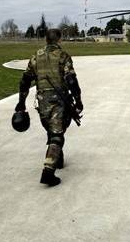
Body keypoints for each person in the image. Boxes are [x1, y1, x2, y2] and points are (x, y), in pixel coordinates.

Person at [16, 28, 83, 186]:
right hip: (58, 100)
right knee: (57, 135)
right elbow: (71, 79)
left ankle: (58, 159)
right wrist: (78, 99)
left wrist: (21, 102)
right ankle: (48, 171)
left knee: (52, 130)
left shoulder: (36, 57)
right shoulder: (63, 56)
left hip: (42, 100)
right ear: (59, 40)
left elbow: (25, 80)